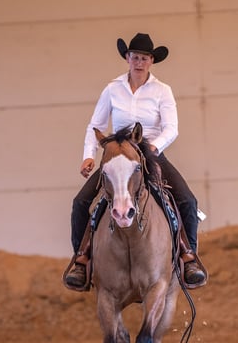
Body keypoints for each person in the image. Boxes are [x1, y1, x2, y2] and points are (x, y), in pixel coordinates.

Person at [64, 32, 207, 289]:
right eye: (135, 57)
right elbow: (95, 125)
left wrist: (154, 146)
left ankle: (189, 258)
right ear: (127, 58)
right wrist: (88, 156)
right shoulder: (112, 89)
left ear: (151, 61)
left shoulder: (162, 91)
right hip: (118, 153)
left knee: (186, 199)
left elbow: (171, 128)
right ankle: (81, 260)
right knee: (81, 202)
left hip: (149, 152)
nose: (139, 62)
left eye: (144, 58)